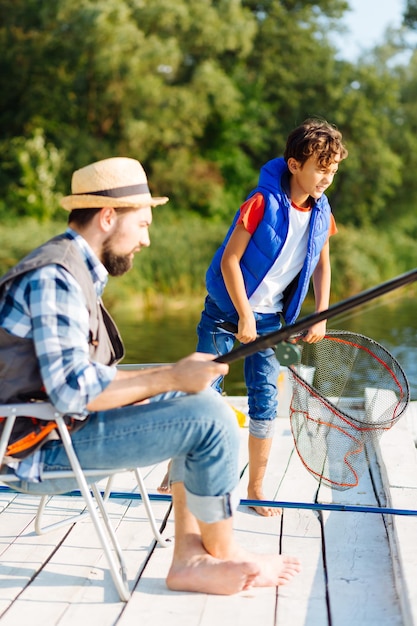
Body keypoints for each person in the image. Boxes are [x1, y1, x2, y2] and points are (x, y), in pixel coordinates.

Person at [0, 156, 301, 595]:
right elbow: (71, 390)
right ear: (107, 217)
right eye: (141, 224)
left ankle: (190, 558)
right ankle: (223, 552)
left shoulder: (74, 269)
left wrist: (171, 380)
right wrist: (170, 377)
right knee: (210, 420)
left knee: (201, 403)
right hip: (35, 451)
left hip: (58, 428)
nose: (146, 239)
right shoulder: (56, 278)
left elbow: (78, 378)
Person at [196, 118, 348, 516]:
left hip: (271, 322)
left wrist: (321, 315)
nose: (326, 179)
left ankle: (257, 488)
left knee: (266, 400)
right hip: (225, 314)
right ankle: (185, 478)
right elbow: (230, 260)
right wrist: (243, 314)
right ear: (295, 164)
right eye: (320, 169)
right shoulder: (260, 202)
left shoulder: (322, 210)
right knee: (205, 394)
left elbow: (322, 266)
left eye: (333, 171)